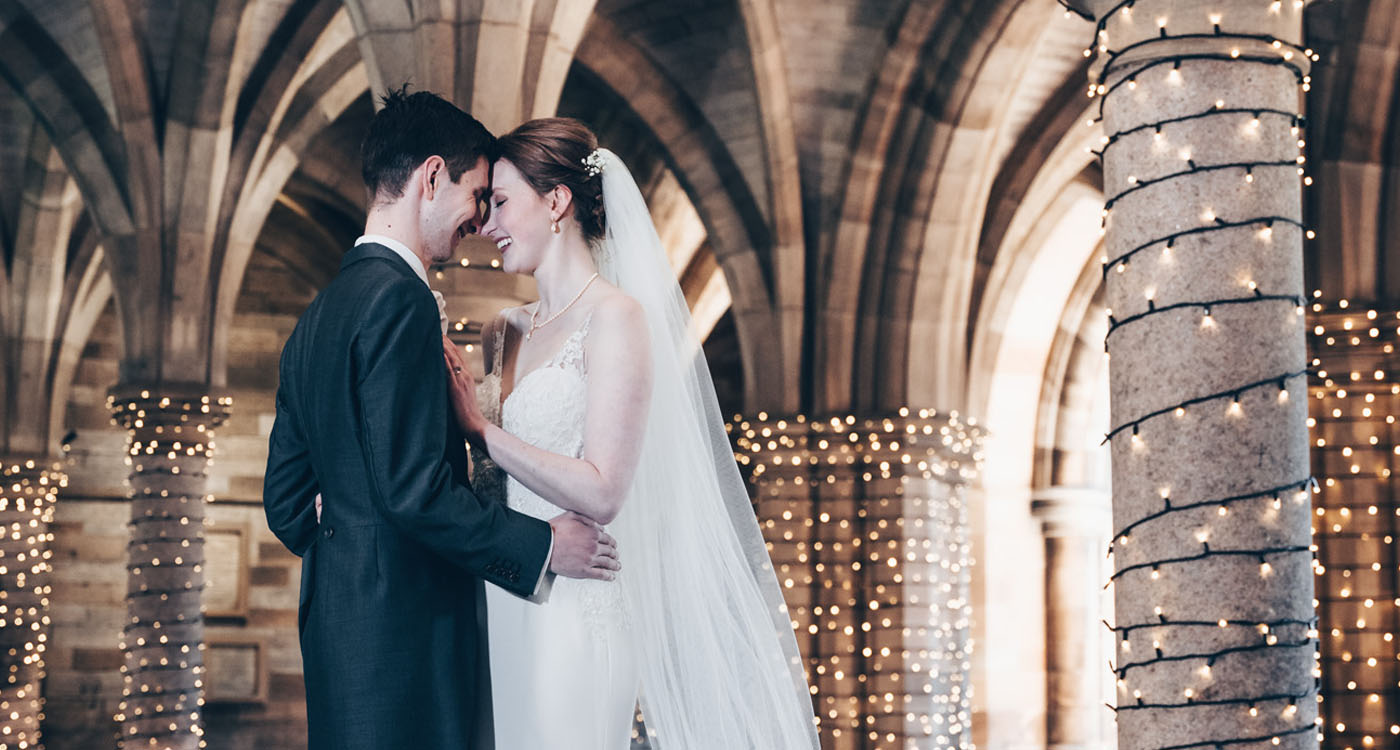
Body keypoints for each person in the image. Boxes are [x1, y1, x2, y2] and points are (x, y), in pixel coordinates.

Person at [443, 117, 820, 749]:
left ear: (556, 202)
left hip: (576, 609)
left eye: (502, 203)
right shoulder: (500, 330)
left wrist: (479, 428)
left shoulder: (617, 320)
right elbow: (488, 485)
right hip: (501, 593)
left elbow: (603, 490)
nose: (486, 226)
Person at [263, 90, 619, 750]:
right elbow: (413, 490)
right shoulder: (401, 301)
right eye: (478, 193)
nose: (479, 219)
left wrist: (351, 521)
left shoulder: (317, 316)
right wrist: (542, 545)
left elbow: (284, 505)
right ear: (431, 177)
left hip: (338, 634)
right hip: (408, 637)